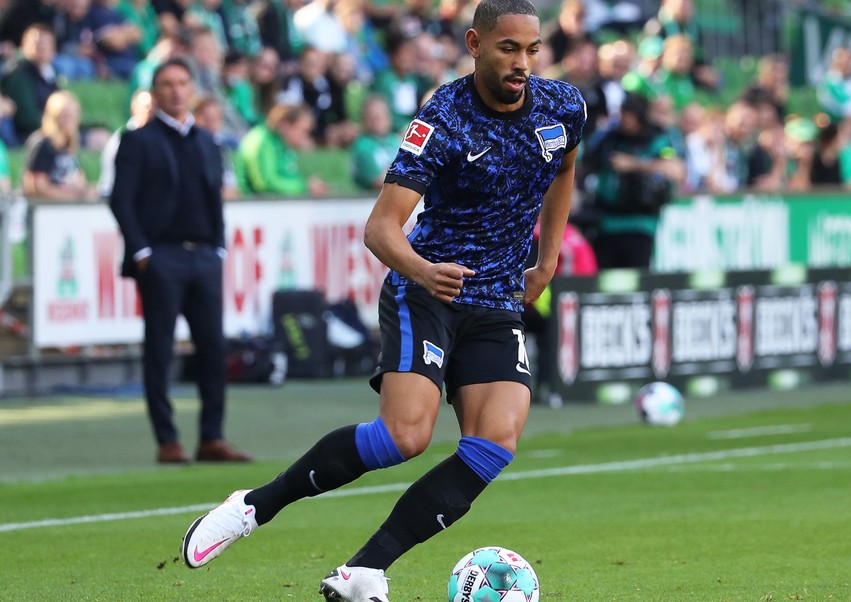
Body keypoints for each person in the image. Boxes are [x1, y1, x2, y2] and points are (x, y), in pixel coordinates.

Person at [180, 2, 586, 602]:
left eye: (532, 49)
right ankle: (254, 507)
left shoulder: (563, 106)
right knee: (405, 437)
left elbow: (564, 170)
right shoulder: (443, 118)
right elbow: (381, 229)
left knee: (495, 443)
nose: (522, 62)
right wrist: (424, 270)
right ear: (475, 43)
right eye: (508, 49)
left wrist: (547, 258)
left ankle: (363, 570)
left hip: (497, 297)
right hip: (426, 289)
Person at [109, 57, 251, 464]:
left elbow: (214, 198)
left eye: (182, 83)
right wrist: (142, 253)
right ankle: (167, 440)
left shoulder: (208, 141)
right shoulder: (137, 140)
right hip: (161, 257)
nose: (175, 90)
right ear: (154, 93)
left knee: (212, 348)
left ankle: (211, 438)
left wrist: (219, 247)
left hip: (204, 256)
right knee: (159, 350)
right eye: (167, 84)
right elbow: (121, 200)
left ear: (191, 89)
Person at [583, 93, 685, 269]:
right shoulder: (608, 138)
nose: (625, 121)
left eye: (630, 116)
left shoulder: (658, 139)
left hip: (641, 222)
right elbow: (586, 161)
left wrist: (634, 165)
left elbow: (676, 170)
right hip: (607, 221)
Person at [234, 102, 329, 197]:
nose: (306, 137)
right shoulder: (262, 140)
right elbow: (265, 184)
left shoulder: (283, 145)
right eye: (304, 131)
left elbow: (289, 178)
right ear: (286, 125)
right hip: (250, 206)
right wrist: (305, 187)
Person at [22, 90, 95, 202]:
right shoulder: (43, 144)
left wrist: (85, 191)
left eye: (74, 115)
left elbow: (79, 178)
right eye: (65, 115)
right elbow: (37, 186)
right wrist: (72, 198)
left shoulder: (70, 145)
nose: (70, 120)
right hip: (45, 209)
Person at [0, 23, 59, 144]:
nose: (41, 47)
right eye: (37, 43)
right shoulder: (18, 74)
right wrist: (56, 128)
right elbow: (26, 119)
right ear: (23, 45)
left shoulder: (49, 74)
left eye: (46, 44)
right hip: (28, 136)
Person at [97, 87, 152, 199]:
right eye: (146, 107)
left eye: (154, 107)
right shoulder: (123, 139)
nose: (150, 111)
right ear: (133, 109)